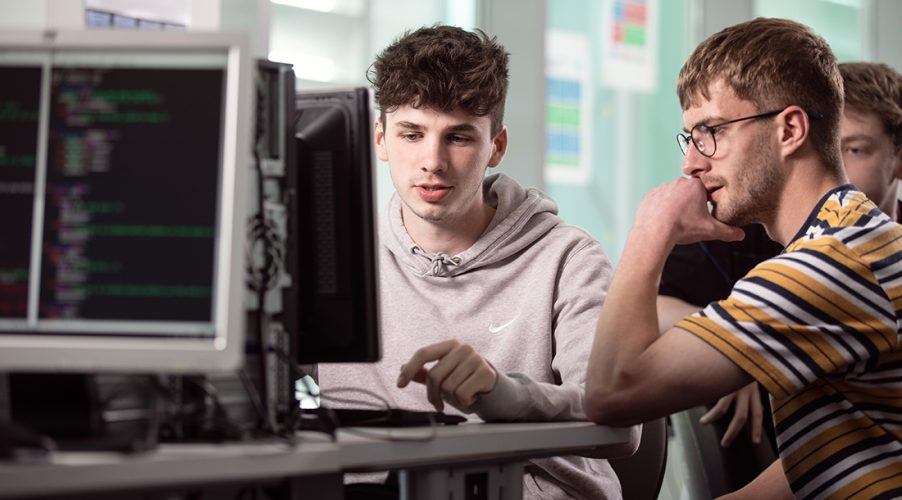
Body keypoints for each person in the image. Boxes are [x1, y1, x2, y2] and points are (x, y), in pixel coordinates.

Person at [586, 17, 902, 499]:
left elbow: (612, 394)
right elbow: (859, 442)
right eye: (689, 137)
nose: (691, 163)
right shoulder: (856, 238)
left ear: (790, 129)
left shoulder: (826, 265)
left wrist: (650, 232)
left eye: (711, 131)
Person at [317, 25, 636, 500]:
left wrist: (504, 394)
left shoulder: (567, 257)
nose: (433, 161)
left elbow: (621, 426)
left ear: (496, 146)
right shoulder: (334, 256)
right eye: (412, 134)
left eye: (459, 138)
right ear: (381, 139)